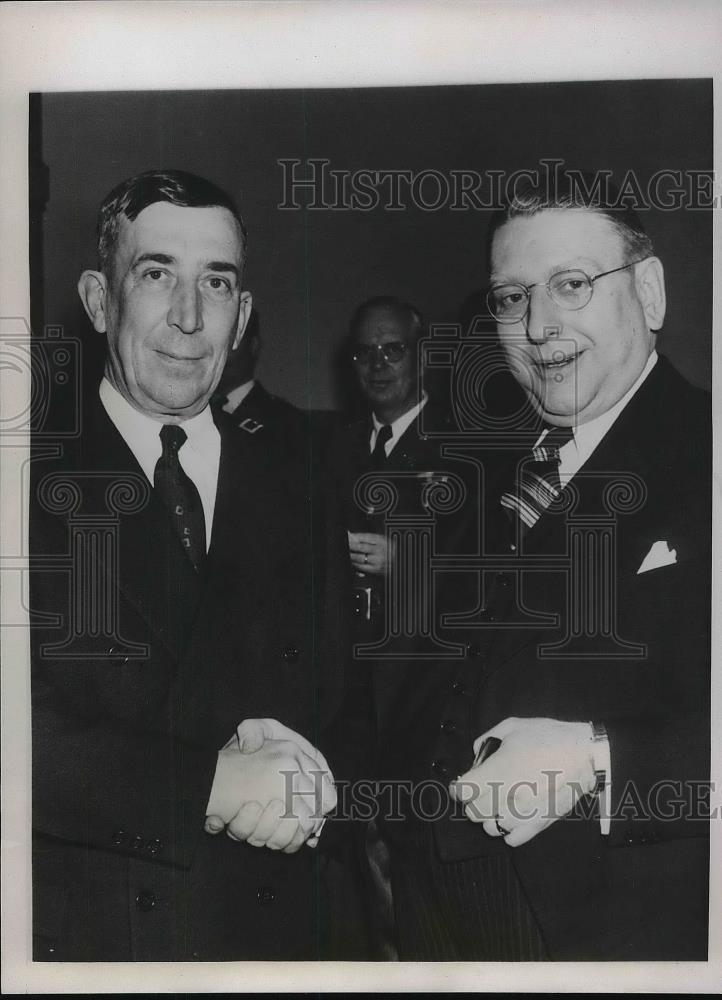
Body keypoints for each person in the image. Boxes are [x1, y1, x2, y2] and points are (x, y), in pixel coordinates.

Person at [376, 173, 711, 960]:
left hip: (602, 930)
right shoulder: (485, 472)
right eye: (512, 297)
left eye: (571, 285)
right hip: (425, 915)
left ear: (651, 293)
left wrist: (599, 757)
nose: (538, 326)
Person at [29, 169, 355, 961]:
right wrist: (207, 784)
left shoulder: (302, 478)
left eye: (216, 282)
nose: (187, 316)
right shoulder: (25, 478)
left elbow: (351, 697)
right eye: (155, 274)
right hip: (99, 943)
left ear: (242, 317)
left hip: (278, 937)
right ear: (100, 301)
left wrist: (321, 774)